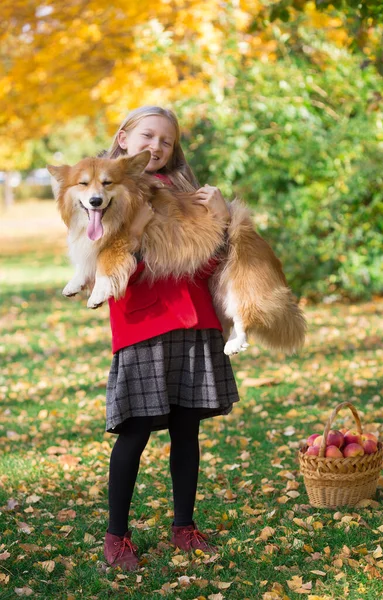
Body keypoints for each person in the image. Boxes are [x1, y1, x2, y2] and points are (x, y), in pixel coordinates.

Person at [102, 106, 239, 571]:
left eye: (166, 140)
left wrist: (220, 220)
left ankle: (184, 527)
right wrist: (138, 229)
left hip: (195, 321)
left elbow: (213, 261)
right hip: (144, 324)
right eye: (147, 135)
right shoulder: (103, 189)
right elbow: (112, 268)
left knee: (187, 431)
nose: (156, 146)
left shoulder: (184, 192)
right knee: (135, 434)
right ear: (124, 137)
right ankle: (116, 537)